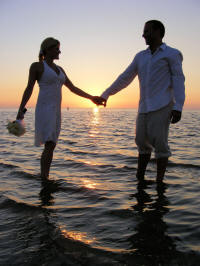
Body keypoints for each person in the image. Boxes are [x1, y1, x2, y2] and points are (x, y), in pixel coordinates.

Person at [99, 20, 185, 183]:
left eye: (147, 31)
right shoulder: (140, 56)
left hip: (163, 105)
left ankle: (160, 183)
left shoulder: (172, 54)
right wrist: (106, 94)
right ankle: (140, 179)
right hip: (144, 107)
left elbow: (179, 80)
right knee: (141, 143)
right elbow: (125, 77)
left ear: (158, 31)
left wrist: (178, 106)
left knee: (161, 146)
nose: (143, 35)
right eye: (144, 31)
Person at [17, 37, 102, 179]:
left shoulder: (60, 69)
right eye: (57, 49)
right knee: (49, 144)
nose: (59, 51)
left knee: (52, 145)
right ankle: (44, 178)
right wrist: (21, 109)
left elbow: (73, 88)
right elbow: (29, 88)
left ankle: (45, 177)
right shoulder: (37, 66)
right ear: (48, 49)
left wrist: (92, 98)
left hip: (56, 111)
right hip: (44, 109)